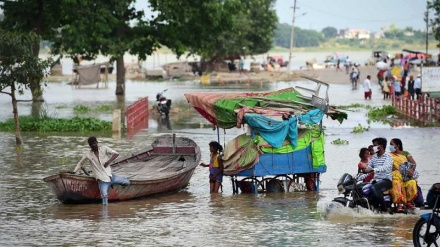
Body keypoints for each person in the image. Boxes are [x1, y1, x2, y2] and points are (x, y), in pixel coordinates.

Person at [72, 136, 130, 205]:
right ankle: (105, 214)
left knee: (127, 182)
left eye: (94, 143)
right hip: (102, 181)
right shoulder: (88, 154)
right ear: (89, 145)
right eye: (91, 144)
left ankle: (115, 184)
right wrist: (74, 172)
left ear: (97, 142)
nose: (93, 145)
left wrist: (108, 162)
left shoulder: (104, 148)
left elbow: (116, 154)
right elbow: (80, 163)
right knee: (104, 198)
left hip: (111, 177)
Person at [362, 137, 393, 212]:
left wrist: (373, 169)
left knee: (374, 188)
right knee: (361, 188)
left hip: (386, 180)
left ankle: (384, 209)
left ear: (381, 146)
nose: (373, 147)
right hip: (375, 180)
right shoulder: (374, 157)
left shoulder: (388, 157)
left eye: (375, 145)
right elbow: (368, 168)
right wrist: (359, 177)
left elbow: (385, 167)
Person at [388, 138, 418, 211]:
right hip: (395, 175)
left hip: (406, 175)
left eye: (392, 144)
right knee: (396, 183)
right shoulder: (389, 155)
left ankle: (409, 202)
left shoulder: (405, 153)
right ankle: (399, 204)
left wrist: (411, 170)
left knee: (412, 182)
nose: (390, 146)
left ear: (397, 145)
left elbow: (413, 163)